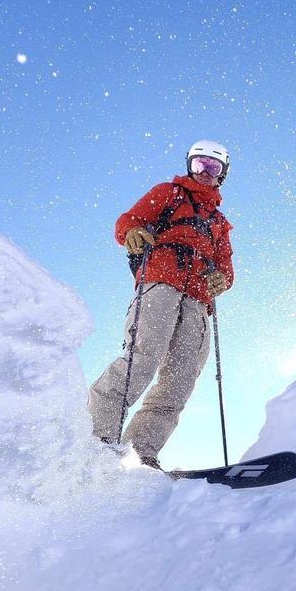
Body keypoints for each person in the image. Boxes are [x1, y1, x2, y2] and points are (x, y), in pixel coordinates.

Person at [88, 140, 235, 470]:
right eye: (199, 165)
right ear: (189, 166)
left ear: (222, 175)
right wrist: (133, 232)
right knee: (142, 360)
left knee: (180, 382)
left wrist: (221, 281)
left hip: (198, 304)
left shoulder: (221, 224)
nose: (205, 172)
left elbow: (226, 269)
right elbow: (127, 221)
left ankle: (141, 454)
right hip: (161, 284)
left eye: (214, 168)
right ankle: (98, 439)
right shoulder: (169, 193)